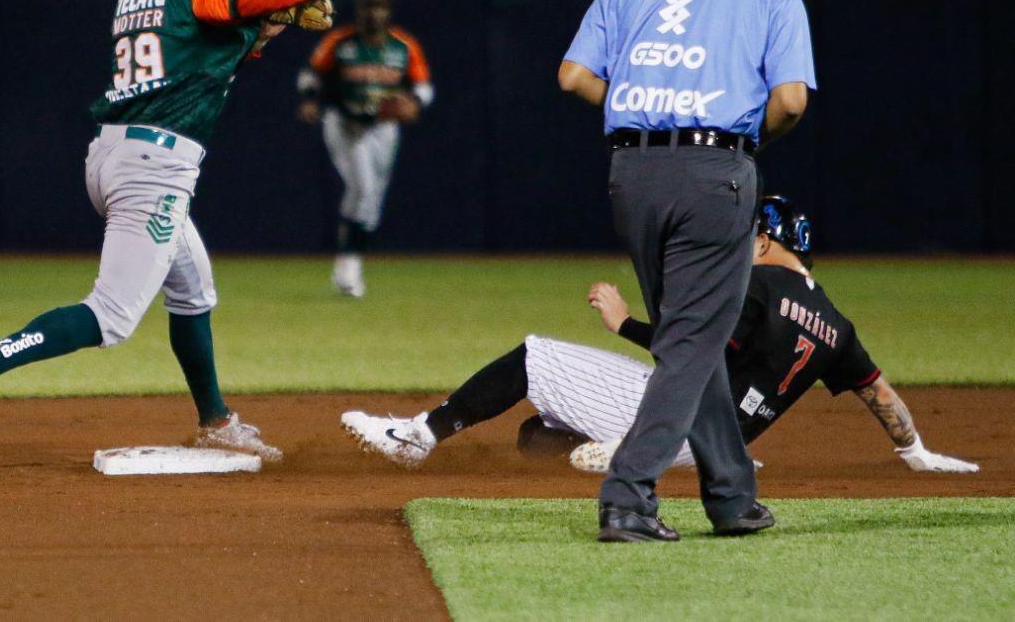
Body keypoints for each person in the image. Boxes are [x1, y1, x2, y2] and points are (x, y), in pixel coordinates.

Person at [0, 0, 392, 459]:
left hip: (118, 152)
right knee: (112, 316)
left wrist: (265, 30)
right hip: (153, 167)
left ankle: (216, 422)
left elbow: (199, 50)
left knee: (193, 291)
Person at [340, 196, 979, 478]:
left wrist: (624, 323)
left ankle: (418, 436)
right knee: (537, 436)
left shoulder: (755, 284)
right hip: (720, 446)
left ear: (763, 241)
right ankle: (614, 451)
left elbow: (690, 344)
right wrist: (917, 454)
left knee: (535, 357)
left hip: (675, 414)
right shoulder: (836, 323)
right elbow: (882, 397)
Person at [556, 0, 815, 541]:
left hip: (632, 173)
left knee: (686, 338)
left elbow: (573, 76)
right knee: (693, 343)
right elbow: (789, 99)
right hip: (715, 172)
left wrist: (647, 113)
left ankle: (732, 496)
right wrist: (743, 141)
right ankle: (628, 495)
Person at [296, 0, 432, 297]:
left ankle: (348, 263)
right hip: (345, 123)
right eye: (368, 8)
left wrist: (415, 101)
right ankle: (349, 267)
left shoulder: (403, 45)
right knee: (363, 189)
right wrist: (309, 98)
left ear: (388, 13)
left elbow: (423, 86)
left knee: (371, 204)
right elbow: (311, 73)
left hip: (383, 127)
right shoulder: (340, 41)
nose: (374, 14)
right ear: (359, 12)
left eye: (379, 8)